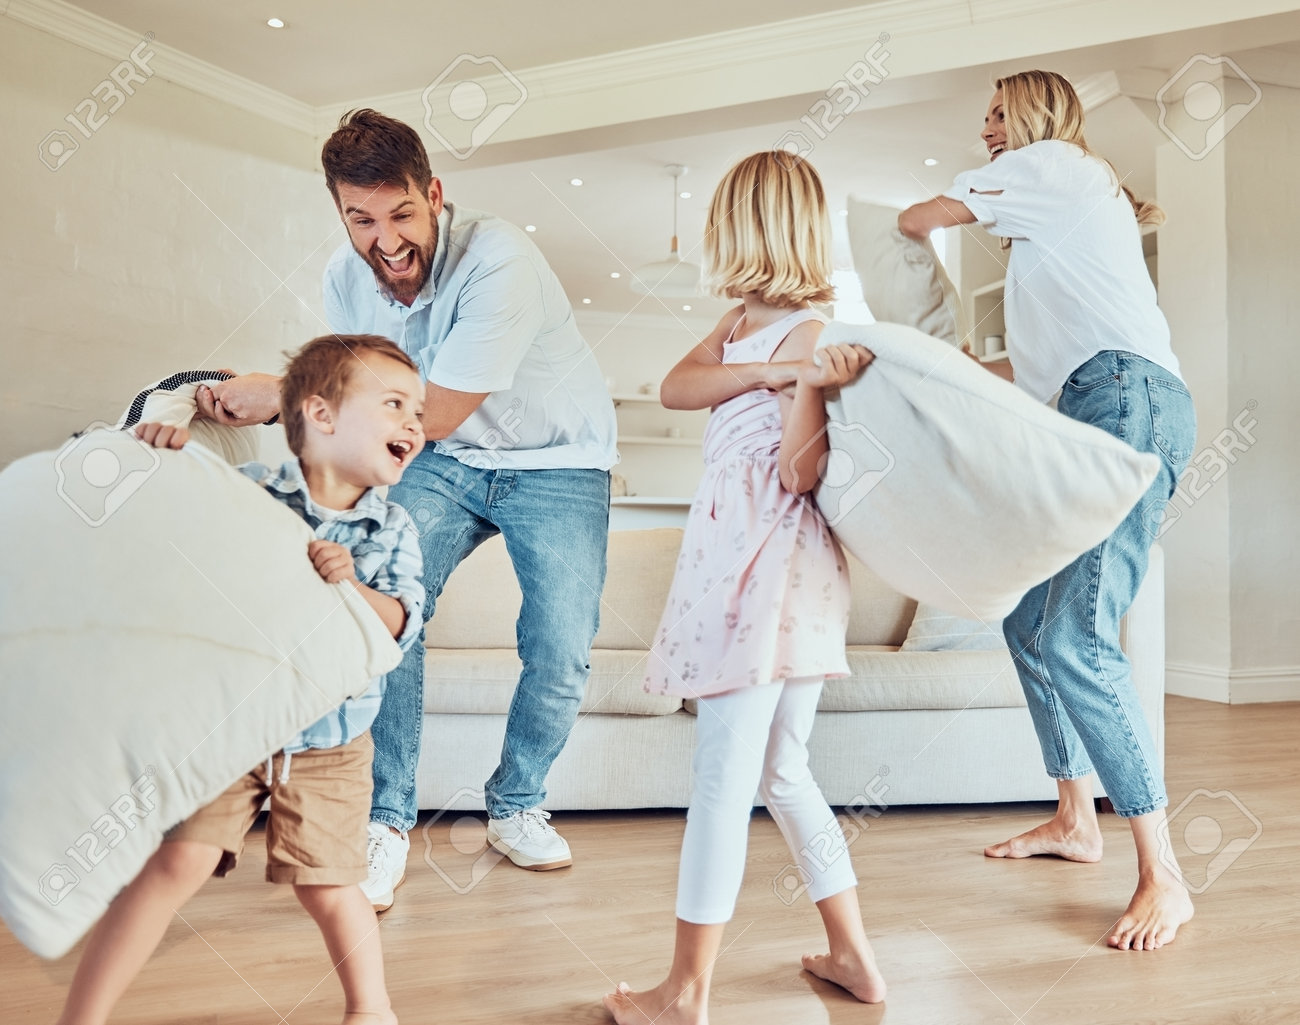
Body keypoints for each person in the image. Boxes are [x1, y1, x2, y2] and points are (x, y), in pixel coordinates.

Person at [193, 109, 617, 910]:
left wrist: (277, 389)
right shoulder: (344, 278)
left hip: (555, 458)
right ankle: (384, 820)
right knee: (387, 615)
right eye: (361, 218)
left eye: (401, 214)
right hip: (447, 465)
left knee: (559, 646)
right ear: (340, 213)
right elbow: (362, 403)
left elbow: (439, 409)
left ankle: (516, 803)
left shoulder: (501, 260)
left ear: (436, 195)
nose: (384, 240)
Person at [899, 69, 1198, 951]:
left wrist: (904, 263)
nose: (986, 128)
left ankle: (1166, 877)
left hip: (1124, 402)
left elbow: (919, 219)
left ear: (1032, 115)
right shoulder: (1047, 242)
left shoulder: (1056, 165)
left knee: (1079, 634)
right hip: (1089, 404)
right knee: (1031, 618)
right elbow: (1022, 379)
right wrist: (948, 365)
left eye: (996, 113)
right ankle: (1076, 816)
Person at [56, 334, 426, 1025]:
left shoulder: (394, 527)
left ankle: (371, 1009)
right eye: (395, 404)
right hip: (230, 732)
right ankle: (83, 1016)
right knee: (174, 867)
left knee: (331, 886)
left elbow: (402, 622)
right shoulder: (251, 493)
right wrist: (156, 455)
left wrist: (350, 586)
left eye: (419, 412)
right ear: (319, 414)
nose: (415, 423)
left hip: (331, 746)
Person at [603, 152, 886, 1025]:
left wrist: (805, 383)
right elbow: (676, 387)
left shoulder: (811, 331)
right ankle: (855, 958)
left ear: (749, 227)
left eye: (721, 220)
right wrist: (765, 373)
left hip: (769, 567)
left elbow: (802, 474)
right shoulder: (742, 325)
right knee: (782, 770)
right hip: (752, 565)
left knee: (724, 776)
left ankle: (686, 991)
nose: (712, 238)